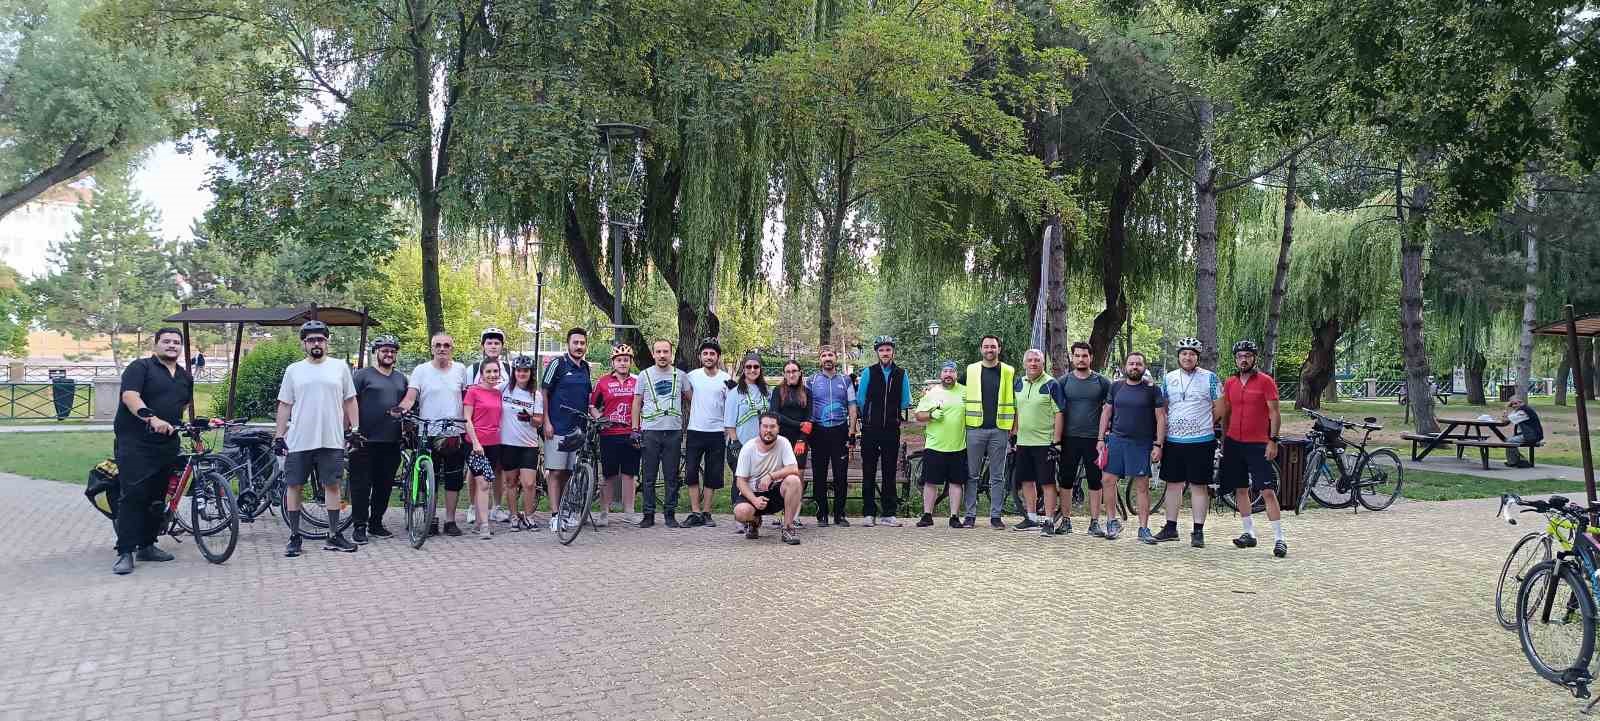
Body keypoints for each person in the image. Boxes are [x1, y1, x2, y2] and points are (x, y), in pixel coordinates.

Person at [110, 328, 194, 575]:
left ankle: (147, 545)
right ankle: (125, 551)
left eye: (176, 342)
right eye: (166, 341)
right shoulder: (140, 367)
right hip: (135, 443)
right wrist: (152, 419)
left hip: (167, 445)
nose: (172, 345)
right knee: (134, 496)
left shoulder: (184, 376)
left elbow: (183, 404)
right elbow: (130, 397)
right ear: (156, 344)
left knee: (158, 497)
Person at [274, 320, 361, 556]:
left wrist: (355, 429)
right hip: (299, 439)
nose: (316, 343)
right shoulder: (294, 370)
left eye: (320, 339)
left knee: (332, 485)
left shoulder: (340, 367)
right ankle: (294, 537)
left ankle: (333, 535)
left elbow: (350, 400)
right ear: (304, 343)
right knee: (295, 486)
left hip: (331, 438)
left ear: (327, 342)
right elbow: (285, 404)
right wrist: (279, 436)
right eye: (311, 340)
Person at [1216, 340, 1288, 558]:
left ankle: (1279, 538)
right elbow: (1226, 412)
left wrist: (1273, 440)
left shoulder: (1266, 381)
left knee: (1267, 491)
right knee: (1240, 489)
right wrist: (1224, 440)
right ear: (1235, 359)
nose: (1243, 359)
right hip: (1234, 442)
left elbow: (1274, 413)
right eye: (1240, 356)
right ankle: (1248, 532)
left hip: (1258, 443)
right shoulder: (1230, 382)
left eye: (1247, 356)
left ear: (1254, 358)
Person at [398, 332, 470, 536]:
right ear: (431, 348)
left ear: (452, 349)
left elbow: (467, 399)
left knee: (453, 479)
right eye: (437, 345)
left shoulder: (460, 370)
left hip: (454, 432)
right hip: (427, 432)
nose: (442, 348)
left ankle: (450, 521)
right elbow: (410, 397)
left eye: (446, 345)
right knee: (429, 479)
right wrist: (401, 410)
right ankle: (430, 518)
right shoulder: (421, 370)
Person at [1157, 337, 1223, 547]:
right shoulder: (1169, 378)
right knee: (1173, 485)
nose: (1188, 357)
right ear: (1179, 356)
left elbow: (1220, 407)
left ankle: (1198, 531)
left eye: (1192, 354)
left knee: (1198, 486)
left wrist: (1206, 423)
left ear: (1197, 357)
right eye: (1184, 353)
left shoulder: (1210, 378)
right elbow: (1164, 407)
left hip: (1201, 440)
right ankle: (1170, 528)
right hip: (1174, 440)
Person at [1096, 351, 1166, 544]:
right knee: (1107, 480)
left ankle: (1143, 528)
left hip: (1141, 443)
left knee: (1142, 486)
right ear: (1125, 366)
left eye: (1138, 364)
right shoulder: (1116, 387)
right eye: (1131, 363)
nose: (1134, 367)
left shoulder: (1153, 390)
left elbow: (1161, 417)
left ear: (1144, 367)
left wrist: (1158, 444)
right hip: (1116, 440)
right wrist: (1100, 439)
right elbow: (1106, 412)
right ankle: (1112, 522)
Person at [348, 334, 408, 543]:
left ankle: (376, 523)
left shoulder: (401, 378)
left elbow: (407, 404)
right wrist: (349, 429)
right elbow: (349, 402)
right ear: (376, 353)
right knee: (361, 485)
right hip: (363, 439)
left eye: (392, 351)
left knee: (384, 485)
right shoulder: (362, 376)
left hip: (391, 441)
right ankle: (359, 526)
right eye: (384, 350)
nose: (389, 354)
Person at [631, 339, 690, 528]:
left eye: (666, 351)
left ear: (671, 353)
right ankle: (648, 514)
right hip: (650, 432)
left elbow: (693, 399)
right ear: (653, 354)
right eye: (658, 352)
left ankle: (670, 514)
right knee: (648, 476)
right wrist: (635, 429)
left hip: (673, 432)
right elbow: (636, 403)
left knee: (671, 476)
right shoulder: (644, 375)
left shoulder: (681, 376)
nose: (662, 355)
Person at [854, 336, 911, 528]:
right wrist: (871, 416)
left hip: (891, 429)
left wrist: (892, 414)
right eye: (881, 350)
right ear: (877, 353)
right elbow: (861, 399)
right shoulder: (869, 372)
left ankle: (889, 513)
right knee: (868, 471)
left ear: (893, 352)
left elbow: (905, 401)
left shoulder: (901, 373)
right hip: (871, 429)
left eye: (888, 350)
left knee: (889, 471)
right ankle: (868, 512)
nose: (885, 353)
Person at [1058, 342, 1112, 537]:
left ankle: (1094, 522)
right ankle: (1065, 521)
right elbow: (1056, 411)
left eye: (1084, 356)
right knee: (1066, 480)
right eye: (1077, 356)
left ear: (1091, 357)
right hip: (1068, 438)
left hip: (1094, 439)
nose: (1081, 359)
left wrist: (1106, 433)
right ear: (1072, 357)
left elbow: (1111, 408)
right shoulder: (1063, 382)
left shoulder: (1102, 382)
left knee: (1095, 481)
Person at [542, 328, 594, 533]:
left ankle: (563, 510)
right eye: (575, 343)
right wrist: (546, 421)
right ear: (568, 344)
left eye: (582, 343)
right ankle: (555, 516)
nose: (579, 346)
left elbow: (587, 398)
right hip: (557, 427)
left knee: (567, 473)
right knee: (555, 472)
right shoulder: (558, 364)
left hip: (578, 429)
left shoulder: (586, 368)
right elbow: (544, 393)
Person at [962, 335, 1016, 529]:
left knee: (998, 476)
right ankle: (970, 515)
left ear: (999, 349)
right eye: (986, 346)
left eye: (993, 346)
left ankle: (995, 516)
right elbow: (956, 390)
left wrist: (1014, 428)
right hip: (974, 428)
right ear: (981, 349)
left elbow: (1015, 399)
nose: (989, 350)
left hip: (999, 429)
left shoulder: (1009, 371)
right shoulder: (971, 370)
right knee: (971, 475)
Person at [732, 412, 805, 545]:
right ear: (759, 428)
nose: (768, 430)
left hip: (775, 492)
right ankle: (754, 522)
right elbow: (740, 481)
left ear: (778, 428)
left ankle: (788, 528)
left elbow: (794, 468)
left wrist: (771, 476)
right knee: (741, 512)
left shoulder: (784, 442)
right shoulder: (748, 448)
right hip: (753, 494)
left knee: (794, 480)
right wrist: (754, 500)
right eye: (765, 426)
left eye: (772, 427)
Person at [1012, 349, 1064, 534]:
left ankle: (1049, 521)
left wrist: (1056, 441)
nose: (1033, 363)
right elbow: (1016, 410)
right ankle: (1031, 518)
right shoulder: (1018, 383)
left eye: (1037, 360)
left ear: (1043, 363)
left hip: (1044, 442)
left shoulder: (1051, 384)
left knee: (1047, 482)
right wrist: (1014, 434)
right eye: (1030, 360)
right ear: (1024, 363)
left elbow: (1059, 412)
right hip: (1023, 442)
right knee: (1027, 481)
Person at [682, 338, 732, 528]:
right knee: (691, 472)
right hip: (695, 430)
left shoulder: (726, 378)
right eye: (705, 354)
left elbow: (731, 404)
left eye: (712, 354)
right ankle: (695, 512)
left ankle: (707, 512)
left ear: (718, 357)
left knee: (713, 473)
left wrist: (728, 429)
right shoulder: (692, 376)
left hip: (717, 433)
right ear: (700, 356)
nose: (709, 357)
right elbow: (687, 395)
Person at [590, 344, 641, 527]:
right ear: (613, 362)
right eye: (619, 360)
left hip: (631, 433)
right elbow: (592, 405)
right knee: (609, 475)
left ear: (630, 362)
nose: (622, 363)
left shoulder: (637, 381)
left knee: (629, 475)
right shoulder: (603, 382)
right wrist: (599, 418)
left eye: (626, 360)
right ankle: (604, 512)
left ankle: (629, 512)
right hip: (609, 433)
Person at [807, 345, 856, 526]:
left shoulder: (846, 380)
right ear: (819, 360)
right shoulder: (811, 380)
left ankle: (839, 514)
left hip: (839, 431)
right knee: (819, 474)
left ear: (836, 358)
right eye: (824, 355)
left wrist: (852, 432)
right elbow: (806, 406)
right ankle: (822, 514)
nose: (827, 358)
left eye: (830, 355)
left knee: (840, 475)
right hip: (818, 431)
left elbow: (852, 406)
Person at [914, 362, 967, 528]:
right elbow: (918, 415)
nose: (948, 374)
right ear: (941, 375)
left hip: (958, 445)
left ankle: (954, 517)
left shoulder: (965, 392)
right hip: (935, 445)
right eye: (945, 371)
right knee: (930, 482)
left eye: (952, 371)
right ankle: (927, 515)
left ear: (956, 375)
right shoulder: (932, 393)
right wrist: (931, 414)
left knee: (956, 483)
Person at [469, 327, 513, 524]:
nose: (493, 346)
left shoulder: (508, 369)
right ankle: (473, 507)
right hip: (478, 428)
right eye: (489, 343)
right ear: (483, 346)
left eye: (497, 343)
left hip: (501, 427)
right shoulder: (473, 369)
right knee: (474, 470)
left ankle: (497, 507)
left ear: (502, 346)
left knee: (498, 468)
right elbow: (467, 397)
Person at [725, 352, 770, 533]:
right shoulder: (735, 392)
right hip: (740, 444)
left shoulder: (765, 391)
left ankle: (755, 517)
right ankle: (740, 516)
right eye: (748, 367)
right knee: (740, 480)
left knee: (757, 481)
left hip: (762, 446)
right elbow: (729, 422)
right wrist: (735, 442)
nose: (752, 370)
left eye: (756, 367)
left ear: (760, 369)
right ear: (743, 369)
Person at [501, 355, 545, 531]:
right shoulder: (504, 388)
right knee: (511, 482)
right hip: (508, 443)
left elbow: (539, 421)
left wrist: (530, 418)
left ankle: (529, 516)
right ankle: (513, 515)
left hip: (528, 445)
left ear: (530, 373)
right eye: (518, 370)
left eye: (525, 371)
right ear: (514, 372)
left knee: (529, 483)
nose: (522, 373)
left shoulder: (536, 395)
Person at [462, 363, 505, 539]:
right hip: (475, 445)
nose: (492, 374)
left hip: (493, 444)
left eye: (495, 371)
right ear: (481, 374)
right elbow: (466, 418)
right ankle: (485, 526)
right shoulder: (473, 391)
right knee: (483, 484)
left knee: (486, 482)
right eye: (488, 371)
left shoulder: (498, 393)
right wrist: (475, 442)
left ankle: (479, 523)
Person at [770, 359, 812, 472]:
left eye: (794, 371)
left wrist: (802, 440)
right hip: (781, 438)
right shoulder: (777, 390)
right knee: (781, 474)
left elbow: (809, 418)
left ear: (800, 373)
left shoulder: (807, 392)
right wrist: (799, 424)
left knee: (798, 473)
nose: (791, 374)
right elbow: (774, 414)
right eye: (788, 372)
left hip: (800, 439)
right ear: (784, 374)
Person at [1504, 398, 1544, 468]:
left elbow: (1506, 419)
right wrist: (1507, 409)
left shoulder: (1523, 412)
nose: (1513, 406)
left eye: (1515, 403)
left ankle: (1514, 462)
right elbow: (1505, 420)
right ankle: (1516, 460)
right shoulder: (1518, 411)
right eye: (1512, 404)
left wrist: (1506, 409)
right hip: (1528, 434)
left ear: (1521, 403)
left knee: (1509, 441)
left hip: (1532, 436)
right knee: (1509, 440)